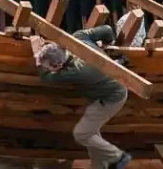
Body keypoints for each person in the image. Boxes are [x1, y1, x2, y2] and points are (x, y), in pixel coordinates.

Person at [30, 26, 131, 169]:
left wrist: (36, 56)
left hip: (113, 97)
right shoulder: (78, 37)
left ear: (58, 65)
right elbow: (108, 29)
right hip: (109, 90)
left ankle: (118, 157)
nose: (48, 70)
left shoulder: (74, 72)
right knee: (91, 132)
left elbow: (47, 79)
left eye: (49, 67)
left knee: (82, 133)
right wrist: (109, 44)